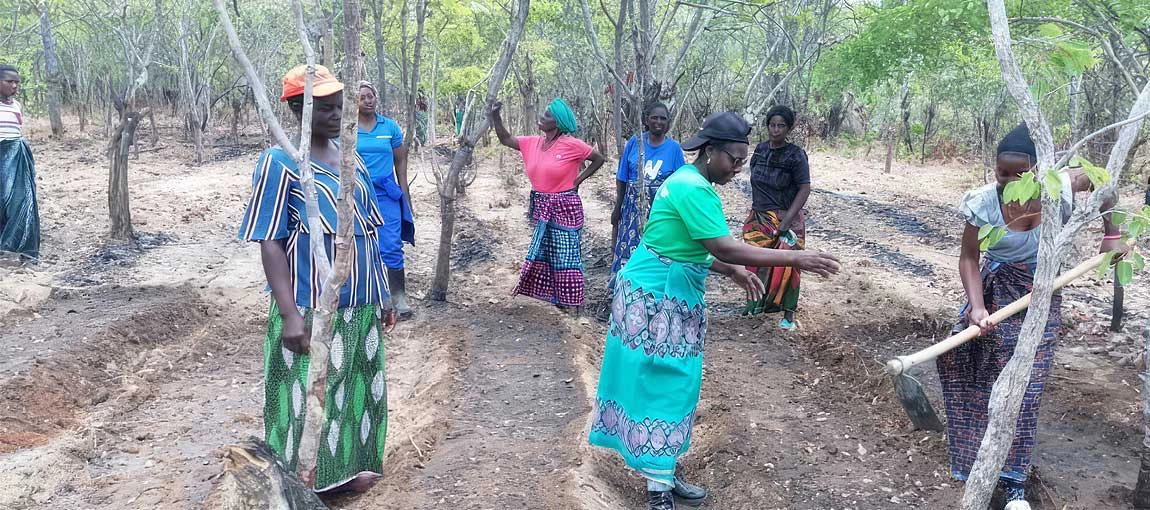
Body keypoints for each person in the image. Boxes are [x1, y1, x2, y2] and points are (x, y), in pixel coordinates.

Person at [588, 111, 841, 510]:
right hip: (658, 296)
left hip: (664, 287)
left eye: (743, 159)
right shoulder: (693, 188)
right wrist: (795, 258)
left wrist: (730, 271)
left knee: (674, 382)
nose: (739, 167)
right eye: (734, 159)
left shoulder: (690, 182)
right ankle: (657, 488)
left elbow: (689, 245)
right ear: (709, 152)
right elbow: (721, 246)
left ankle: (664, 469)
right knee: (666, 382)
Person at [936, 123, 1122, 509]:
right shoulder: (983, 203)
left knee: (1027, 389)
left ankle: (1014, 480)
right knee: (983, 378)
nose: (1006, 182)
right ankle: (980, 463)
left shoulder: (1061, 188)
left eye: (1017, 175)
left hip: (1041, 299)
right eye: (1001, 172)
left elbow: (1107, 185)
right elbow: (969, 257)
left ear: (1037, 172)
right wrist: (977, 307)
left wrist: (1112, 234)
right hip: (995, 293)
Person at [238, 64, 396, 495]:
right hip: (311, 304)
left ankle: (353, 468)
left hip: (360, 303)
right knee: (307, 394)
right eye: (323, 107)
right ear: (295, 108)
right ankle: (309, 481)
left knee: (359, 388)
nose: (335, 114)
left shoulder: (352, 158)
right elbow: (270, 241)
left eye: (337, 106)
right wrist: (290, 314)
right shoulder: (280, 162)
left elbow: (367, 229)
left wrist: (383, 294)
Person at [490, 97, 607, 311]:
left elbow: (599, 159)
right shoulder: (532, 142)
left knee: (567, 254)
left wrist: (578, 180)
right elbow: (505, 139)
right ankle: (553, 295)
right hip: (542, 203)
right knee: (547, 250)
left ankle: (571, 302)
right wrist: (495, 116)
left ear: (558, 123)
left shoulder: (572, 145)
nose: (542, 117)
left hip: (565, 205)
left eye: (548, 115)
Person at [742, 105, 810, 330]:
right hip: (760, 217)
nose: (776, 130)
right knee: (755, 261)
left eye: (781, 125)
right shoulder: (760, 151)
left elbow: (804, 189)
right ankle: (755, 307)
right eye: (772, 125)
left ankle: (788, 315)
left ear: (788, 128)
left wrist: (786, 222)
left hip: (786, 218)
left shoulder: (796, 155)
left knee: (788, 267)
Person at [609, 102, 685, 293]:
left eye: (663, 118)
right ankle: (623, 293)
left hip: (661, 211)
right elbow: (622, 178)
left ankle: (653, 294)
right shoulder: (635, 143)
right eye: (654, 117)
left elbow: (680, 184)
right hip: (632, 211)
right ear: (645, 120)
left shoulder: (674, 149)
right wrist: (618, 208)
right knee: (630, 251)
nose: (658, 122)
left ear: (668, 123)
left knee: (658, 252)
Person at [357, 80, 415, 319]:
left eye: (371, 96)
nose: (368, 100)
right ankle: (370, 298)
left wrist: (406, 198)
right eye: (362, 97)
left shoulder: (389, 127)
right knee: (361, 246)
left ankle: (398, 297)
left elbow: (400, 164)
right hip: (357, 194)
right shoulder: (346, 129)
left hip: (386, 193)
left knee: (390, 245)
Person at [0, 64, 39, 264]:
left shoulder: (16, 106)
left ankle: (26, 251)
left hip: (17, 156)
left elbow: (16, 132)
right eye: (9, 81)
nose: (14, 86)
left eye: (17, 82)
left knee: (24, 202)